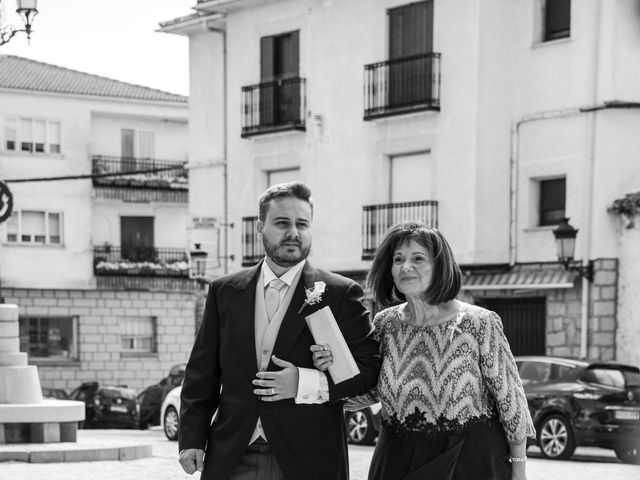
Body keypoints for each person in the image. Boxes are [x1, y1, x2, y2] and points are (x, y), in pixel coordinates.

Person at [178, 181, 380, 480]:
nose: (293, 232)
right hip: (233, 453)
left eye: (302, 223)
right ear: (260, 227)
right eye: (282, 222)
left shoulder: (340, 293)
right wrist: (191, 439)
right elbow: (201, 372)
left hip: (308, 458)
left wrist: (305, 382)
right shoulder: (225, 291)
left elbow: (369, 370)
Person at [312, 221, 535, 480]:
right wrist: (331, 370)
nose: (406, 267)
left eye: (418, 258)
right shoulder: (385, 323)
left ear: (440, 267)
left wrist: (519, 469)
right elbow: (370, 390)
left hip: (467, 462)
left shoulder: (479, 323)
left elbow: (512, 402)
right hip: (396, 460)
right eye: (398, 259)